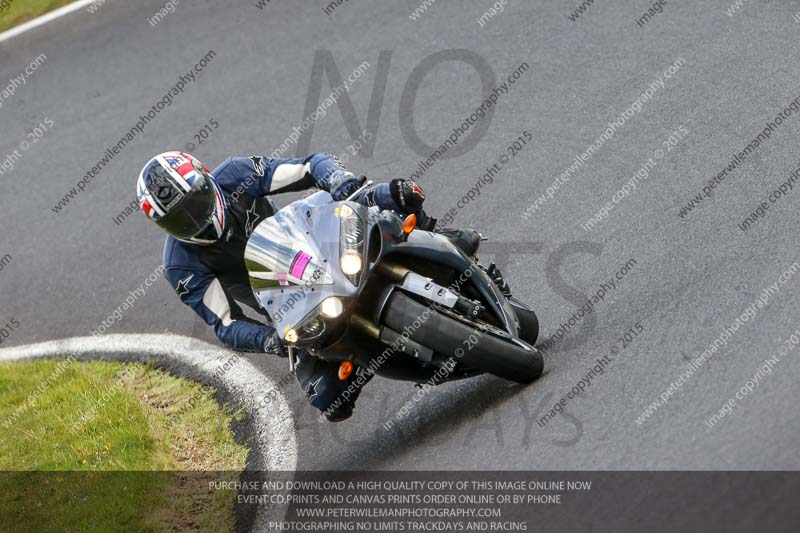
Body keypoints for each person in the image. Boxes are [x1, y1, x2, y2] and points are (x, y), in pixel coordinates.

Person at [137, 150, 480, 421]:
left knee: (395, 194)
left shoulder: (235, 175)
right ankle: (387, 358)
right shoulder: (181, 265)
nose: (194, 219)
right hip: (294, 309)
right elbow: (225, 325)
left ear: (206, 179)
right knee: (329, 400)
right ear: (164, 226)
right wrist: (270, 340)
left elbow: (308, 166)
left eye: (194, 204)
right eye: (179, 218)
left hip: (320, 244)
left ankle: (438, 240)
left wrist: (338, 180)